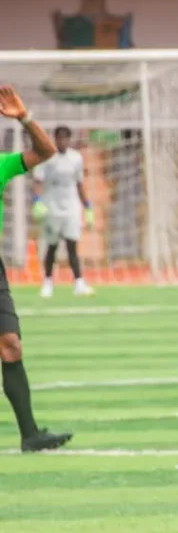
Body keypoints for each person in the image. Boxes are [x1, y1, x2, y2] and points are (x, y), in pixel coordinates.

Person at [0, 86, 74, 452]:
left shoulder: (0, 165)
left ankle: (30, 435)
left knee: (11, 345)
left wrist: (24, 118)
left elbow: (45, 151)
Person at [32, 125, 94, 297]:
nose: (63, 141)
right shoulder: (47, 157)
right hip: (51, 207)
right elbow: (38, 181)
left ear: (69, 140)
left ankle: (79, 283)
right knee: (51, 246)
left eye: (66, 138)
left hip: (71, 208)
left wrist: (87, 205)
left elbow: (79, 184)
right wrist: (36, 201)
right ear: (55, 139)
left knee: (72, 245)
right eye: (60, 138)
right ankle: (47, 282)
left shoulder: (76, 158)